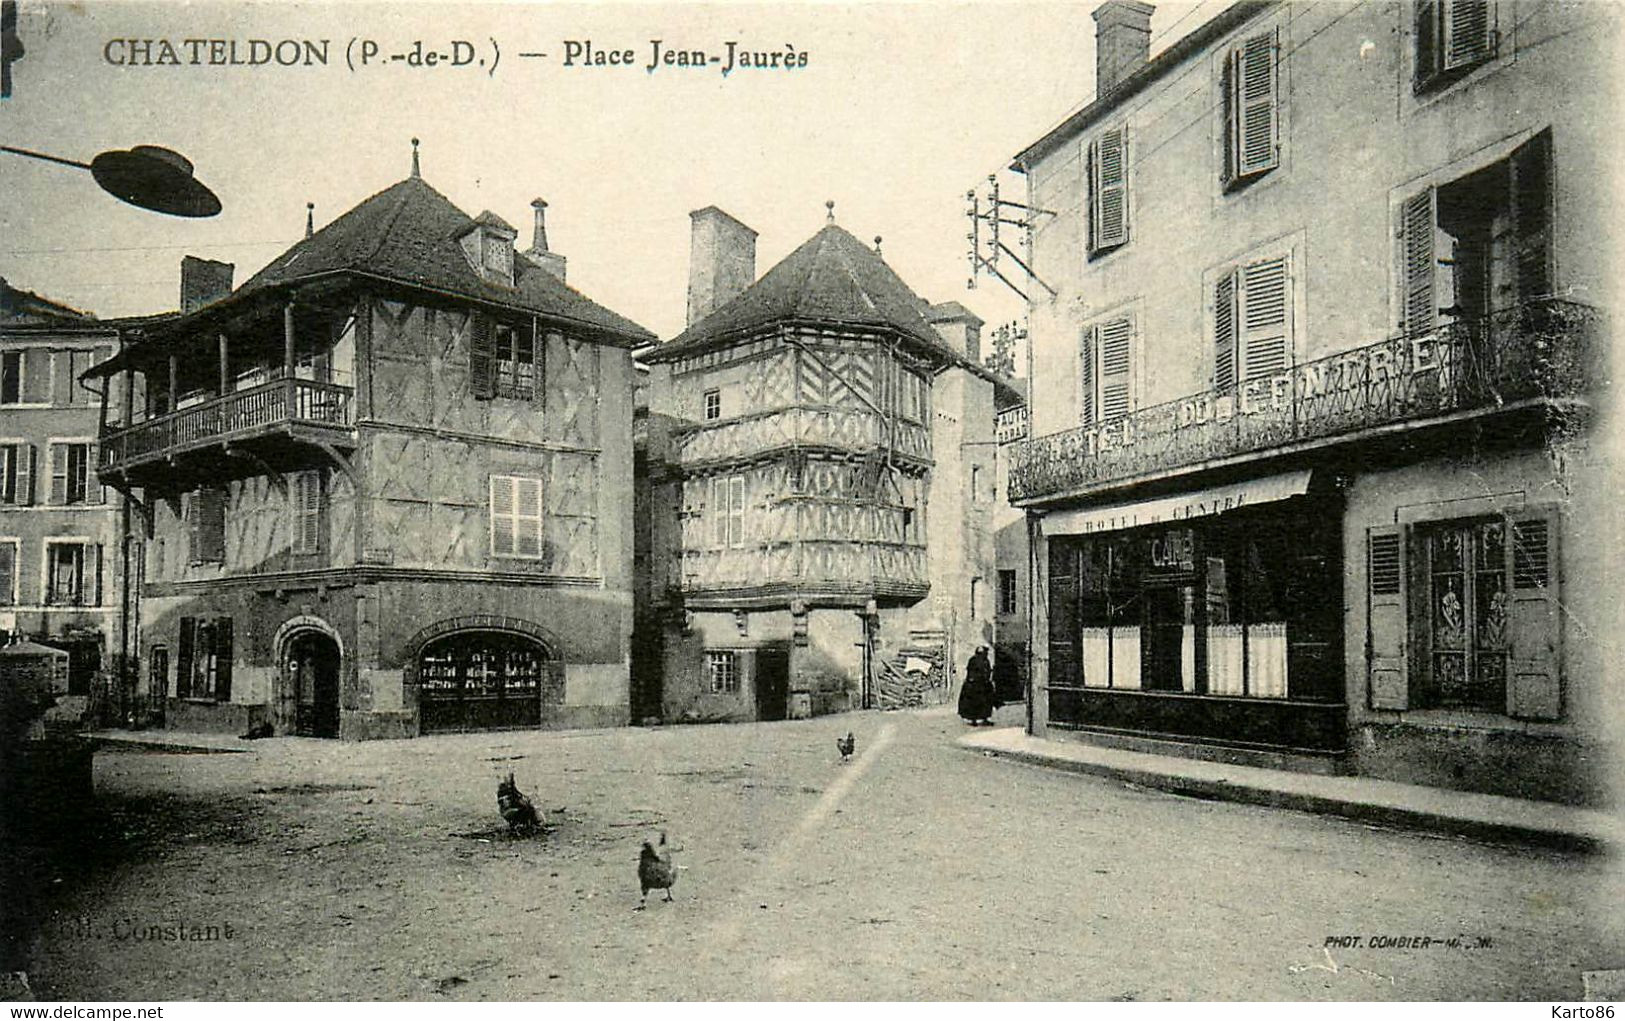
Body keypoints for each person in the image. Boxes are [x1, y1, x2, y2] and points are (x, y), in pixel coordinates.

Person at [958, 645, 996, 726]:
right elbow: (970, 672)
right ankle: (973, 719)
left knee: (986, 702)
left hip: (984, 684)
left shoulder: (985, 661)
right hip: (975, 685)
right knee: (974, 702)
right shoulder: (974, 660)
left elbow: (987, 671)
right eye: (984, 653)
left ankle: (984, 718)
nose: (985, 654)